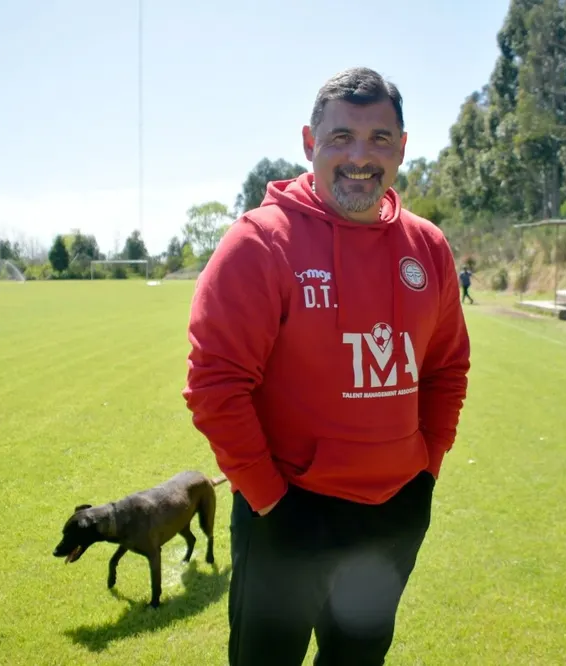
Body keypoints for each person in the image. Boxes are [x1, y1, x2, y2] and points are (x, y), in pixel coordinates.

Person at [182, 66, 472, 666]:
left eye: (379, 139)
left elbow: (446, 369)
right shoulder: (261, 243)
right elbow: (214, 386)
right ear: (310, 144)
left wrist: (426, 472)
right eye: (341, 137)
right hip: (287, 515)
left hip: (392, 517)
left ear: (401, 148)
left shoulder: (429, 248)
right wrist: (273, 503)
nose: (360, 156)